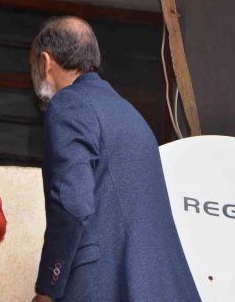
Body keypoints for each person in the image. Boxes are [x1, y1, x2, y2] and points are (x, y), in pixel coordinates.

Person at [29, 16, 201, 302]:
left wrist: (49, 287)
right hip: (161, 287)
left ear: (45, 62)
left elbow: (72, 204)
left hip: (107, 288)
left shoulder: (68, 104)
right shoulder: (127, 113)